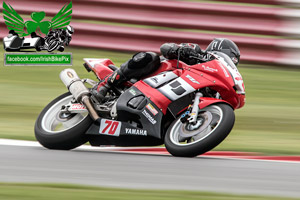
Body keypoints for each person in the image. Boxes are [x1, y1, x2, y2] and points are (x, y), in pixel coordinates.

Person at [92, 38, 240, 102]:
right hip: (157, 77)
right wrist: (181, 50)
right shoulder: (198, 53)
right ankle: (104, 84)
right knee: (150, 57)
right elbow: (166, 47)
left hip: (172, 97)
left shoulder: (215, 87)